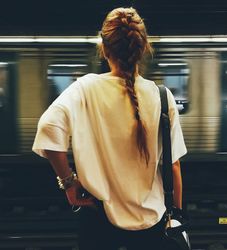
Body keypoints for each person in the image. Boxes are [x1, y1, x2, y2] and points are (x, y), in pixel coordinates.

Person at [32, 7, 187, 250]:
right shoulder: (162, 96)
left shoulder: (84, 88)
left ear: (104, 49)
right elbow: (174, 166)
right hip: (152, 224)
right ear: (143, 48)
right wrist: (177, 213)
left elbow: (48, 127)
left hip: (98, 221)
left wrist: (68, 182)